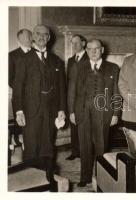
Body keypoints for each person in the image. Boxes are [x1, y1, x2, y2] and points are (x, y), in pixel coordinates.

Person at [12, 25, 67, 187]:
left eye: (45, 34)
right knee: (31, 148)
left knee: (48, 147)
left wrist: (62, 110)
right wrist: (19, 111)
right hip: (30, 112)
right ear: (33, 37)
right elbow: (18, 88)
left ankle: (48, 182)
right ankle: (30, 185)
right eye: (38, 34)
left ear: (49, 38)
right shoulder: (22, 59)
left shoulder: (56, 60)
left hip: (51, 113)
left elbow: (62, 89)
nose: (42, 37)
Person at [67, 39, 121, 187]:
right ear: (87, 50)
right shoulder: (78, 67)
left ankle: (101, 176)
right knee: (84, 145)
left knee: (101, 146)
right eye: (90, 49)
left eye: (96, 48)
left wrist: (116, 113)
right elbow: (71, 91)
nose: (93, 51)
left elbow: (116, 92)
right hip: (82, 112)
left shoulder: (113, 68)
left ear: (102, 50)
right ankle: (85, 177)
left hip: (104, 113)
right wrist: (71, 111)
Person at [65, 34, 88, 161]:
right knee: (74, 124)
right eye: (72, 43)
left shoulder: (90, 57)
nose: (74, 46)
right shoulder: (70, 60)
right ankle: (75, 151)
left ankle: (86, 152)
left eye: (76, 43)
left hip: (85, 98)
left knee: (85, 126)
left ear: (83, 43)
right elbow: (69, 81)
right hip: (73, 98)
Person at [8, 28, 32, 147]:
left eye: (30, 35)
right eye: (27, 36)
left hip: (34, 97)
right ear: (20, 39)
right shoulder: (12, 55)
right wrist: (21, 88)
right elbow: (9, 77)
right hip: (20, 96)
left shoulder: (36, 53)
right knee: (21, 124)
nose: (30, 38)